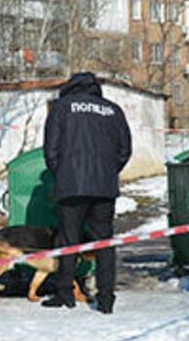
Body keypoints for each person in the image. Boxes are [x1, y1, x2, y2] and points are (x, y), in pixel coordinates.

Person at [40, 72, 132, 314]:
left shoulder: (61, 108)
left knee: (69, 241)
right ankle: (106, 299)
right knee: (104, 243)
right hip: (104, 188)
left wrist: (62, 174)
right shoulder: (113, 110)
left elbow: (51, 150)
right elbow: (125, 150)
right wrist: (109, 172)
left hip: (71, 187)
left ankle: (65, 294)